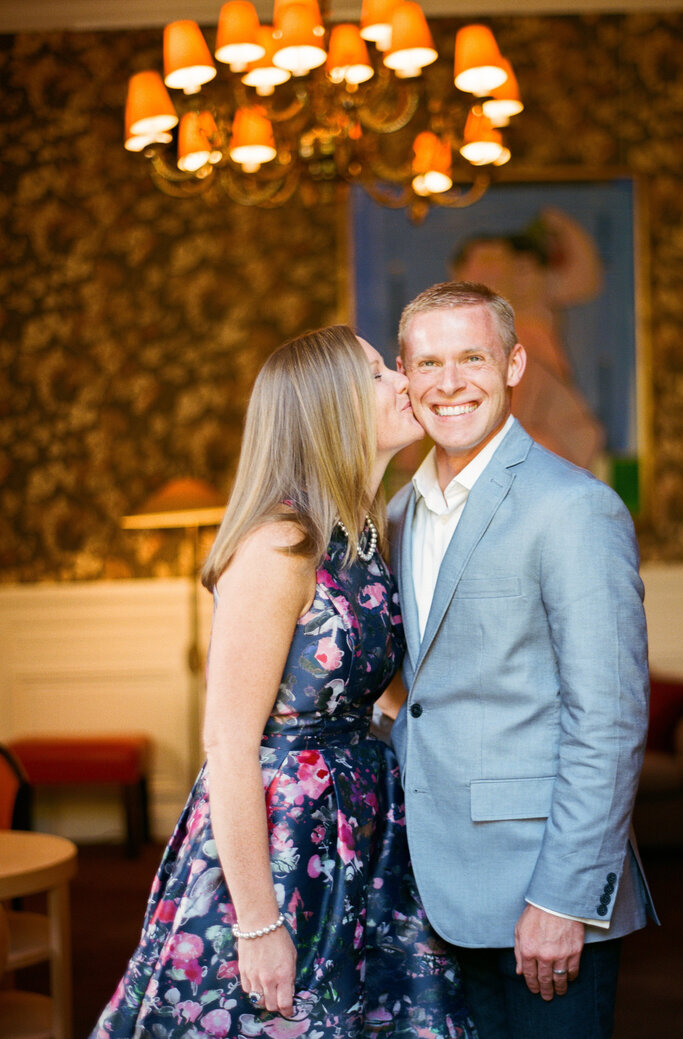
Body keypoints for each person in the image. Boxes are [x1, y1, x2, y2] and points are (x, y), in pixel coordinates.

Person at [91, 326, 477, 1039]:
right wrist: (258, 921)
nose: (402, 381)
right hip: (280, 839)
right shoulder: (279, 542)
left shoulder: (367, 531)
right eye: (375, 374)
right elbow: (229, 742)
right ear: (329, 407)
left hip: (362, 827)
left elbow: (383, 693)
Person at [386, 282, 657, 1039]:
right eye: (428, 362)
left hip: (540, 890)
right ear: (404, 378)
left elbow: (607, 714)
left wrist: (565, 897)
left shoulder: (573, 506)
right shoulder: (399, 512)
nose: (448, 382)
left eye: (471, 357)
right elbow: (428, 690)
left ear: (514, 363)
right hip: (429, 884)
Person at [450, 209, 606, 470]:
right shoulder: (450, 328)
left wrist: (560, 222)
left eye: (503, 261)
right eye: (486, 261)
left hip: (542, 435)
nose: (497, 270)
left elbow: (584, 279)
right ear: (459, 271)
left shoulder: (526, 316)